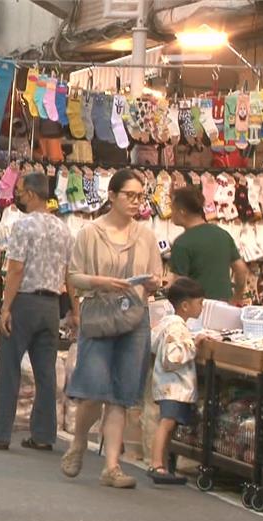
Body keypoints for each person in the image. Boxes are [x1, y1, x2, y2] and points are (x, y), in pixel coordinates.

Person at [63, 169, 163, 489]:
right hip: (99, 315)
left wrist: (153, 283)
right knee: (94, 390)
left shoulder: (146, 235)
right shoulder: (90, 232)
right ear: (112, 196)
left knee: (121, 394)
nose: (136, 202)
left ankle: (112, 466)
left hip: (134, 317)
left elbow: (157, 276)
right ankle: (79, 441)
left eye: (140, 196)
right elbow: (73, 276)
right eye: (129, 195)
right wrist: (101, 282)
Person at [0, 173, 72, 451]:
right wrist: (74, 309)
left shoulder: (23, 225)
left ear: (31, 194)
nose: (18, 196)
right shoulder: (63, 228)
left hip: (24, 301)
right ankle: (43, 435)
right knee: (46, 373)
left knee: (8, 368)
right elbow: (69, 272)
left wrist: (6, 307)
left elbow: (15, 269)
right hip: (52, 304)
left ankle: (0, 433)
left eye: (20, 191)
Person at [148, 277, 206, 485]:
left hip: (169, 385)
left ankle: (163, 464)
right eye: (199, 303)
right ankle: (156, 463)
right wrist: (193, 345)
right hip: (173, 386)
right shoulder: (176, 328)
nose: (202, 307)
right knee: (167, 423)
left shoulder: (167, 324)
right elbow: (172, 357)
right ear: (185, 305)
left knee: (169, 425)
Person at [169, 186, 249, 304]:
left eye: (172, 209)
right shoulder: (223, 235)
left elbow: (179, 286)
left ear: (182, 212)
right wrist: (237, 296)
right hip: (224, 306)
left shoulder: (182, 243)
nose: (171, 213)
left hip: (198, 308)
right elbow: (241, 269)